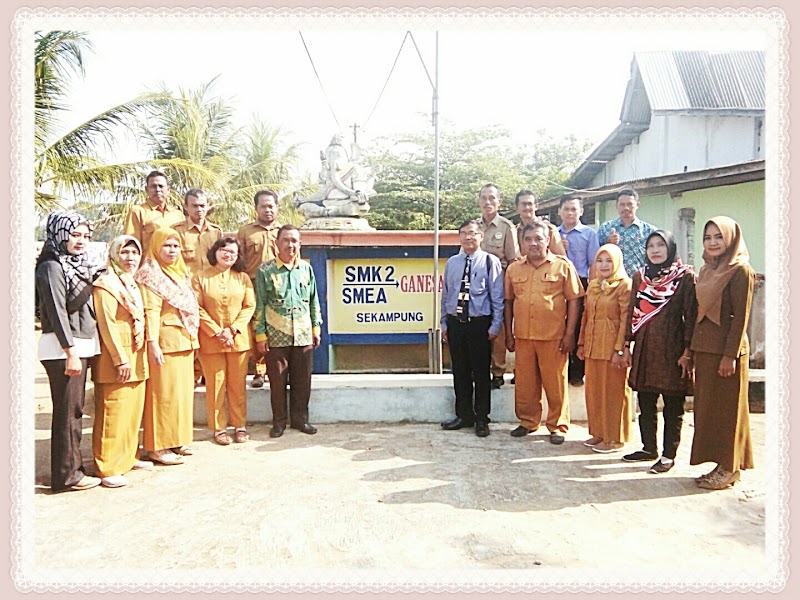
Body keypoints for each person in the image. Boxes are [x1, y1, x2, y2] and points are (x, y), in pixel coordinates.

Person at [35, 211, 102, 492]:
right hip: (64, 348)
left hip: (78, 345)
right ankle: (66, 476)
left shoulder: (76, 265)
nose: (81, 241)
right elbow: (56, 311)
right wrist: (70, 351)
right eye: (75, 235)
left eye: (86, 236)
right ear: (60, 234)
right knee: (67, 413)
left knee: (73, 410)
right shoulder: (51, 267)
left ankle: (72, 468)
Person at [622, 230, 696, 474]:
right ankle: (648, 448)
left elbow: (691, 316)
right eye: (651, 245)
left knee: (673, 404)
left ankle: (668, 455)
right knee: (645, 400)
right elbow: (632, 311)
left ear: (670, 248)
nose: (655, 250)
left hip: (672, 347)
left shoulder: (684, 277)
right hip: (645, 347)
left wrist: (687, 351)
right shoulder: (640, 277)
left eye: (660, 245)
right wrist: (626, 344)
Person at [689, 217, 755, 490]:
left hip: (727, 352)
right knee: (711, 411)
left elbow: (741, 317)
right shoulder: (707, 271)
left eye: (719, 237)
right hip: (706, 349)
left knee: (729, 410)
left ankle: (730, 468)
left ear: (731, 239)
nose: (713, 242)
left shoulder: (740, 271)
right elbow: (698, 315)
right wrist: (691, 351)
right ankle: (721, 464)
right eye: (708, 237)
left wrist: (730, 355)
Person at [504, 222, 583, 445]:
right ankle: (528, 422)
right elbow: (508, 302)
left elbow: (574, 301)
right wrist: (509, 334)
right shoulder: (514, 269)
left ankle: (558, 425)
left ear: (547, 240)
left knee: (555, 383)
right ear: (522, 242)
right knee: (526, 384)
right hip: (524, 336)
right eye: (528, 239)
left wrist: (570, 335)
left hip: (554, 337)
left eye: (538, 238)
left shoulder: (563, 266)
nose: (533, 243)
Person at [91, 235, 154, 488]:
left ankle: (128, 458)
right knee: (112, 411)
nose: (130, 258)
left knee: (131, 411)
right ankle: (107, 466)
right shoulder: (106, 285)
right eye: (125, 253)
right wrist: (120, 360)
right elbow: (107, 325)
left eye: (135, 253)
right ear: (115, 254)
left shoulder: (131, 284)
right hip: (116, 357)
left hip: (136, 353)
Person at [134, 227, 200, 465]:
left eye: (175, 246)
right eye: (167, 246)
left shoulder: (180, 273)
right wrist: (152, 343)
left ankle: (177, 439)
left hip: (185, 342)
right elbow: (150, 311)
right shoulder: (150, 274)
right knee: (162, 396)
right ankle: (157, 447)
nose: (172, 251)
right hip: (165, 343)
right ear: (156, 247)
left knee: (181, 396)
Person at [253, 225, 322, 438]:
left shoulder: (306, 269)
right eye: (286, 240)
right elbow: (260, 304)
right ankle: (279, 422)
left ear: (300, 244)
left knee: (303, 381)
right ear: (277, 243)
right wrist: (260, 334)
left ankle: (301, 420)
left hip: (303, 334)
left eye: (295, 241)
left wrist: (315, 327)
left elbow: (313, 300)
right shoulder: (265, 271)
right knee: (278, 382)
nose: (290, 245)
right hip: (276, 334)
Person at [439, 219, 504, 437]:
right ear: (459, 237)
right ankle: (464, 414)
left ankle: (482, 418)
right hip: (456, 323)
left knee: (481, 373)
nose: (468, 237)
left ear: (481, 236)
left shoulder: (489, 262)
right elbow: (446, 294)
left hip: (479, 324)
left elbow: (497, 296)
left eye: (473, 233)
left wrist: (496, 325)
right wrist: (443, 322)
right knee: (460, 371)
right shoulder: (452, 263)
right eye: (464, 233)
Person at [193, 237, 256, 446]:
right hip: (211, 341)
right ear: (215, 252)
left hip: (238, 340)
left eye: (233, 252)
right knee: (215, 385)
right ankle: (219, 428)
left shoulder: (243, 278)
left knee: (238, 385)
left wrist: (233, 330)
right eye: (224, 250)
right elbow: (197, 308)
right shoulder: (200, 278)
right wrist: (217, 331)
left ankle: (240, 426)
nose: (228, 254)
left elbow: (249, 306)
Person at [576, 244, 633, 453]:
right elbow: (586, 316)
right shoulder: (593, 285)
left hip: (611, 349)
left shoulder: (624, 285)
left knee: (614, 393)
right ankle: (599, 432)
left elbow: (627, 319)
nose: (604, 265)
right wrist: (581, 343)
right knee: (594, 391)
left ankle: (615, 437)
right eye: (600, 260)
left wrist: (620, 349)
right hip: (593, 346)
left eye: (609, 260)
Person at [173, 188, 223, 386]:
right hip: (185, 293)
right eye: (194, 205)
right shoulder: (176, 231)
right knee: (189, 334)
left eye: (202, 205)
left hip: (210, 291)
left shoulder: (216, 232)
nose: (199, 210)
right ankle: (193, 374)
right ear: (186, 207)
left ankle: (206, 374)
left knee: (208, 333)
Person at [237, 190, 282, 389]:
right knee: (257, 328)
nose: (267, 209)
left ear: (277, 207)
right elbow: (238, 261)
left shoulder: (283, 232)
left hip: (279, 286)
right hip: (253, 285)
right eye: (263, 206)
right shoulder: (246, 232)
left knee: (277, 327)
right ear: (256, 208)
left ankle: (278, 371)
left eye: (271, 205)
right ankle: (259, 371)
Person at [477, 183, 519, 389]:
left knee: (499, 330)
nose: (488, 202)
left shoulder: (506, 227)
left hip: (498, 285)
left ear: (499, 201)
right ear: (479, 201)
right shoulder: (473, 227)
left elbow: (513, 261)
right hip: (477, 288)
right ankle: (481, 368)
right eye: (484, 198)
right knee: (479, 327)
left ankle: (498, 370)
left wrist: (510, 290)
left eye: (492, 198)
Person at [558, 194, 600, 386]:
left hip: (581, 282)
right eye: (566, 209)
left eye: (574, 209)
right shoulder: (553, 233)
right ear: (559, 211)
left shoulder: (589, 234)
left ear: (581, 211)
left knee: (577, 327)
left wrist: (592, 286)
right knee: (559, 326)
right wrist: (560, 247)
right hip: (557, 282)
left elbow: (593, 263)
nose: (569, 212)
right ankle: (559, 369)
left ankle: (576, 373)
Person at [596, 188, 657, 277]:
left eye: (630, 204)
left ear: (637, 205)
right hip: (611, 284)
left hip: (640, 283)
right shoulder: (605, 228)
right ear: (616, 206)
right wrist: (608, 244)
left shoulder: (649, 231)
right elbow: (596, 256)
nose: (626, 208)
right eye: (622, 204)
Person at [123, 170, 184, 256]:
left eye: (161, 186)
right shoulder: (138, 211)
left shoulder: (177, 214)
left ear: (168, 189)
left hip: (173, 267)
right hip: (149, 266)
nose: (157, 189)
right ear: (146, 189)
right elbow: (131, 244)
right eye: (153, 186)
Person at [514, 189, 565, 255]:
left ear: (536, 206)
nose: (527, 207)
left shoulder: (549, 229)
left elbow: (560, 258)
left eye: (530, 204)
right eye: (523, 204)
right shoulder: (514, 232)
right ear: (516, 207)